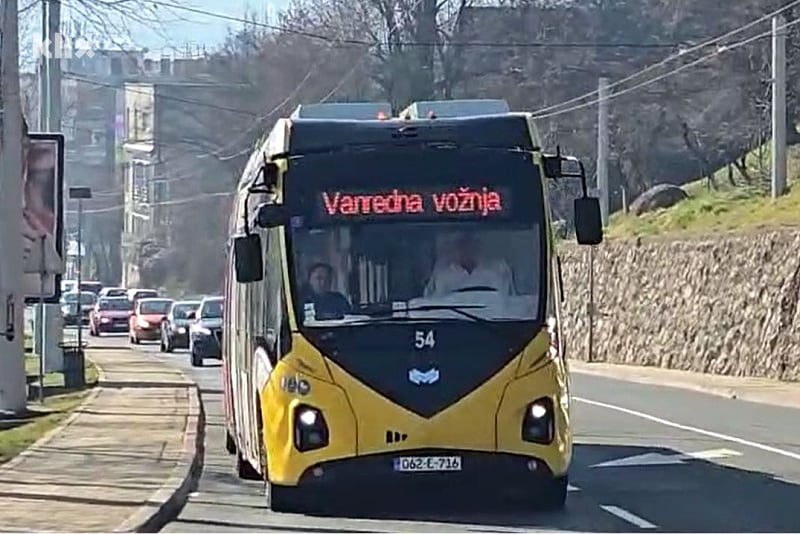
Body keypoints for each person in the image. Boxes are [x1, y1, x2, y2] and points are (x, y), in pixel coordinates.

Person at [423, 232, 513, 297]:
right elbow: (430, 301)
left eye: (469, 246)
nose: (465, 250)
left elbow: (509, 300)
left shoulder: (498, 269)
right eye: (460, 246)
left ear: (477, 247)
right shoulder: (442, 272)